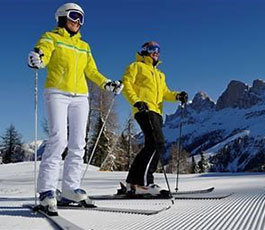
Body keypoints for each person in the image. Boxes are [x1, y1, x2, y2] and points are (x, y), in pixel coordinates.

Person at [27, 3, 123, 215]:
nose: (78, 21)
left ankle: (70, 188)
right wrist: (38, 58)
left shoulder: (84, 46)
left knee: (78, 143)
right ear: (62, 17)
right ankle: (46, 192)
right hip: (57, 92)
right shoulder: (51, 37)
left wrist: (106, 83)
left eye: (81, 18)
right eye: (73, 16)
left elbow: (92, 70)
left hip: (81, 96)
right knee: (58, 139)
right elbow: (43, 52)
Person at [122, 41, 188, 195]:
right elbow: (127, 84)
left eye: (158, 50)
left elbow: (165, 93)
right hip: (144, 109)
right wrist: (136, 101)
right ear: (145, 51)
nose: (156, 52)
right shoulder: (136, 66)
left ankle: (132, 182)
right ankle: (145, 183)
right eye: (152, 49)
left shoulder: (159, 74)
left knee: (151, 144)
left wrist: (177, 95)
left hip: (157, 112)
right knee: (157, 142)